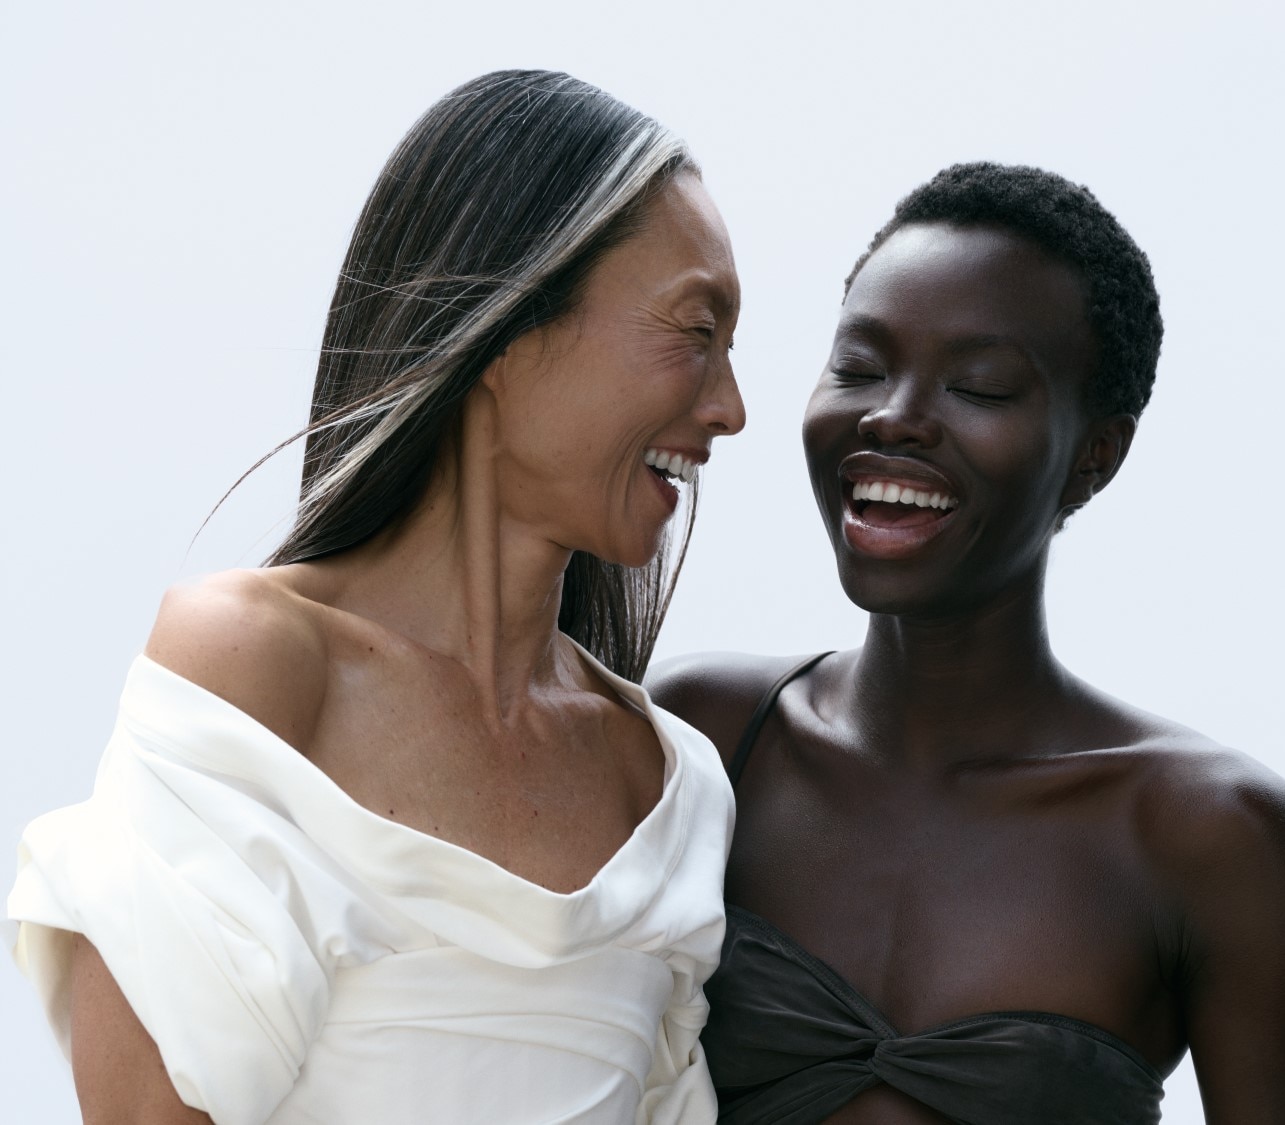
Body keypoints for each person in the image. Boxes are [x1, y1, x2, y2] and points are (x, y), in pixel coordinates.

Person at [8, 70, 745, 1124]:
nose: (731, 407)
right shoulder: (254, 671)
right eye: (696, 331)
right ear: (510, 325)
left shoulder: (665, 793)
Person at [650, 163, 1285, 1124]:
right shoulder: (705, 740)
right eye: (859, 366)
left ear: (1096, 454)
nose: (893, 414)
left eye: (978, 385)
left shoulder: (1213, 839)